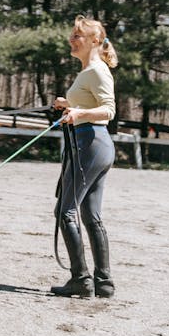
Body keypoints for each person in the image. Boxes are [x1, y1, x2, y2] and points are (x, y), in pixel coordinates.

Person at [49, 15, 119, 298]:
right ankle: (103, 282)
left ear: (94, 41)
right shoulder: (88, 71)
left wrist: (79, 113)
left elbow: (108, 110)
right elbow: (90, 104)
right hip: (92, 144)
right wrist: (69, 105)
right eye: (72, 35)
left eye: (77, 35)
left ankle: (80, 279)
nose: (71, 39)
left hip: (90, 143)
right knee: (91, 214)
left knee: (65, 210)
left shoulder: (97, 71)